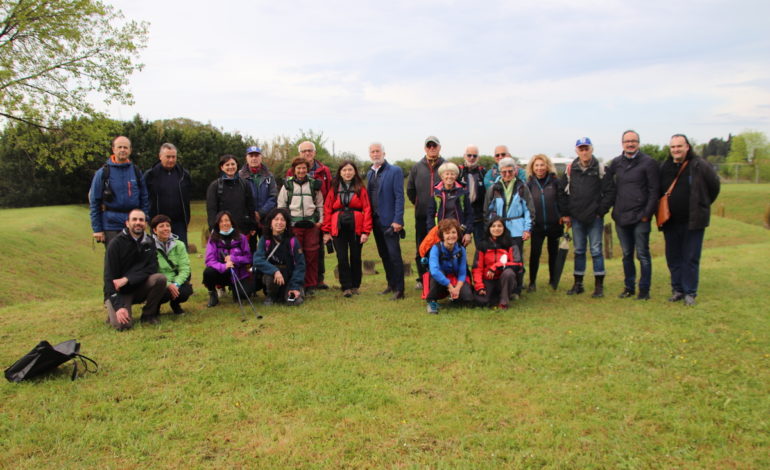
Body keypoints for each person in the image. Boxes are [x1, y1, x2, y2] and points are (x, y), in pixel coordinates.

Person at [659, 134, 720, 306]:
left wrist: (701, 205)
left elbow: (714, 187)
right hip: (670, 221)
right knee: (673, 257)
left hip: (693, 221)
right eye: (673, 147)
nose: (676, 150)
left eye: (679, 146)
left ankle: (690, 292)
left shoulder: (700, 165)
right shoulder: (665, 167)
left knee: (691, 257)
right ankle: (677, 289)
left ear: (687, 147)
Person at [609, 130, 660, 300]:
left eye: (633, 141)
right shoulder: (616, 163)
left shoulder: (649, 163)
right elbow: (606, 183)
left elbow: (654, 191)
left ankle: (644, 290)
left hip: (641, 217)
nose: (630, 144)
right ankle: (629, 287)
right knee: (626, 255)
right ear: (622, 143)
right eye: (627, 141)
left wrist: (647, 214)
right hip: (622, 217)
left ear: (638, 142)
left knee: (643, 254)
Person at [561, 137, 616, 298]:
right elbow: (562, 193)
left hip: (595, 218)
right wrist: (567, 213)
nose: (584, 152)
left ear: (592, 149)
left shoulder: (601, 168)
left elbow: (610, 192)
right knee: (578, 251)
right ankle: (578, 284)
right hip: (576, 217)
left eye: (587, 149)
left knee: (596, 251)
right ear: (576, 151)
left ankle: (599, 286)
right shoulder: (570, 169)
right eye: (581, 149)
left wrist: (600, 211)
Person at [103, 208, 167, 330]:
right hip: (119, 292)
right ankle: (114, 309)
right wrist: (118, 307)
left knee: (160, 279)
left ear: (145, 223)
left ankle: (148, 315)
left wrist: (128, 279)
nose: (138, 222)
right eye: (134, 219)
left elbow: (152, 268)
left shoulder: (149, 241)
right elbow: (109, 278)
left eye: (141, 220)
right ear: (127, 223)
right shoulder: (115, 244)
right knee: (123, 326)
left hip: (139, 286)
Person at [484, 157, 534, 297]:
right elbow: (488, 210)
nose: (507, 174)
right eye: (504, 172)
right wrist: (490, 228)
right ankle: (500, 287)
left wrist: (527, 229)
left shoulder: (522, 187)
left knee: (516, 259)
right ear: (500, 171)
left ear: (515, 171)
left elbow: (529, 210)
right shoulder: (494, 188)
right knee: (498, 257)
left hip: (517, 228)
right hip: (498, 228)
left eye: (510, 171)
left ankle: (516, 289)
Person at [322, 160, 373, 297]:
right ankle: (346, 287)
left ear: (354, 171)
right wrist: (326, 231)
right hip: (338, 226)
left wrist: (365, 231)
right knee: (342, 257)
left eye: (350, 170)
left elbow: (367, 209)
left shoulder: (360, 188)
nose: (347, 173)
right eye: (344, 170)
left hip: (356, 226)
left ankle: (355, 285)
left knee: (355, 257)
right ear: (340, 172)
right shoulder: (334, 188)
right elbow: (327, 209)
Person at [286, 141, 332, 289]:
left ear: (315, 152)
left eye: (310, 150)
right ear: (299, 153)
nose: (307, 153)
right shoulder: (290, 173)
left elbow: (329, 193)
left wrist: (323, 219)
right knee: (298, 252)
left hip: (316, 217)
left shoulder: (324, 171)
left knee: (316, 251)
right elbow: (285, 199)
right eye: (304, 151)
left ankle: (318, 280)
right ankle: (299, 281)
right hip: (296, 220)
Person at [89, 136, 149, 247]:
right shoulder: (103, 173)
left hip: (133, 224)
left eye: (125, 147)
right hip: (111, 225)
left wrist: (144, 219)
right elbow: (94, 201)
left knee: (134, 259)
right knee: (114, 260)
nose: (122, 150)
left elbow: (144, 198)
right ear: (113, 149)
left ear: (130, 150)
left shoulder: (136, 171)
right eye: (119, 147)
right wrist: (97, 229)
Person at [277, 157, 324, 292]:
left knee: (311, 255)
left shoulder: (315, 184)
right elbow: (281, 205)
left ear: (308, 169)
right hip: (294, 224)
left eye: (304, 168)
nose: (301, 170)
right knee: (295, 255)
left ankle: (311, 285)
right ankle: (296, 283)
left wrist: (320, 221)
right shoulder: (287, 185)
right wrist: (284, 223)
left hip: (311, 224)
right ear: (294, 170)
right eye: (298, 168)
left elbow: (320, 204)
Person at [366, 142, 405, 300]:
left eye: (378, 151)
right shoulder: (369, 173)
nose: (375, 154)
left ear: (384, 153)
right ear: (370, 155)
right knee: (384, 255)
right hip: (375, 221)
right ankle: (391, 284)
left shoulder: (395, 171)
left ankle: (400, 290)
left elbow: (399, 197)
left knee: (394, 255)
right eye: (373, 152)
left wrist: (398, 220)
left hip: (390, 221)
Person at [407, 136, 445, 290]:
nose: (431, 148)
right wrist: (419, 203)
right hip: (422, 215)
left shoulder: (446, 165)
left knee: (441, 247)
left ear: (439, 147)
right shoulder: (417, 167)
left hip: (442, 217)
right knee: (422, 247)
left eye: (434, 146)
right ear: (425, 148)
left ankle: (441, 277)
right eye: (428, 146)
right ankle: (422, 279)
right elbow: (410, 189)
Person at [525, 154, 567, 292]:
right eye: (536, 165)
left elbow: (561, 200)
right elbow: (526, 205)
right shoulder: (529, 184)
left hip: (554, 223)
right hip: (537, 225)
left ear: (547, 166)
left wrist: (563, 215)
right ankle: (532, 282)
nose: (539, 168)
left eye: (542, 165)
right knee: (535, 254)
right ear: (532, 167)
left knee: (553, 253)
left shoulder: (555, 181)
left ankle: (553, 280)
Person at [252, 208, 306, 306]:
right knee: (270, 278)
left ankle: (293, 292)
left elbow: (300, 265)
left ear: (286, 223)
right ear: (270, 223)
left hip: (290, 278)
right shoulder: (265, 239)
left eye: (282, 219)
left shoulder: (293, 241)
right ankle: (271, 296)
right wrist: (275, 271)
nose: (279, 222)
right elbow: (257, 259)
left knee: (294, 302)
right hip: (273, 277)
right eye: (276, 219)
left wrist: (295, 286)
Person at [144, 143, 192, 246]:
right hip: (158, 223)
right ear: (160, 156)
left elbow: (187, 198)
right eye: (168, 157)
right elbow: (144, 198)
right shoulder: (150, 175)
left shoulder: (184, 175)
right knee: (159, 254)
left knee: (180, 252)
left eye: (173, 157)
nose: (171, 160)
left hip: (179, 223)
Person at [203, 211, 253, 307]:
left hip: (238, 273)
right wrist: (224, 266)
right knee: (208, 272)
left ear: (231, 222)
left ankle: (235, 290)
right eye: (221, 221)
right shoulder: (213, 239)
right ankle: (213, 294)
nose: (224, 223)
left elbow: (248, 258)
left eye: (227, 220)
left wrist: (234, 259)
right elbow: (209, 260)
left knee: (244, 295)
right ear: (218, 224)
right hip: (221, 272)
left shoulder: (241, 238)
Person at [425, 219, 474, 314]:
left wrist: (457, 288)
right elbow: (434, 271)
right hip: (440, 279)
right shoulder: (435, 248)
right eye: (447, 233)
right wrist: (450, 286)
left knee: (468, 298)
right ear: (442, 235)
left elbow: (462, 272)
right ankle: (432, 302)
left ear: (458, 234)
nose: (451, 236)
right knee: (438, 273)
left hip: (455, 278)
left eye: (453, 232)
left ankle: (454, 297)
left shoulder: (461, 249)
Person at [472, 217, 522, 309]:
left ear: (504, 228)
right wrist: (479, 286)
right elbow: (477, 268)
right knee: (482, 302)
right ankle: (495, 296)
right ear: (489, 228)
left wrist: (496, 266)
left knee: (509, 273)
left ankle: (503, 302)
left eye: (499, 226)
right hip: (488, 279)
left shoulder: (511, 243)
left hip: (504, 279)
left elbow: (518, 264)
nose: (496, 228)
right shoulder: (482, 245)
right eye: (493, 226)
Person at [150, 214, 193, 315]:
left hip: (175, 280)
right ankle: (155, 305)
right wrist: (168, 285)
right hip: (159, 282)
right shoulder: (149, 246)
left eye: (167, 225)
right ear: (155, 230)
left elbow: (185, 268)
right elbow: (151, 272)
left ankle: (175, 304)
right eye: (161, 226)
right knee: (163, 293)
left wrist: (176, 284)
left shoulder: (179, 245)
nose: (165, 228)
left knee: (185, 292)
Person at [426, 161, 474, 247]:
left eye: (452, 174)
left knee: (458, 257)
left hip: (459, 232)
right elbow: (430, 214)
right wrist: (432, 231)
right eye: (446, 174)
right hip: (440, 232)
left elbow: (469, 213)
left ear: (456, 176)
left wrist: (468, 232)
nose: (449, 176)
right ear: (441, 176)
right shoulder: (435, 193)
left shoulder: (463, 192)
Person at [238, 145, 277, 248]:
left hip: (266, 219)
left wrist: (260, 213)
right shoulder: (239, 176)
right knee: (249, 248)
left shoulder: (269, 175)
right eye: (251, 156)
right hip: (247, 220)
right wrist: (251, 214)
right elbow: (239, 198)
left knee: (268, 247)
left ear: (261, 157)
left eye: (256, 155)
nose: (254, 158)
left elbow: (273, 197)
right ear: (246, 158)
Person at [206, 154, 256, 234]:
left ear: (237, 165)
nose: (230, 167)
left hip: (242, 229)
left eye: (233, 164)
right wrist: (213, 228)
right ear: (222, 167)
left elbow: (250, 206)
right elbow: (211, 210)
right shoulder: (215, 186)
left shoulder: (245, 184)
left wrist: (253, 225)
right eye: (227, 165)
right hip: (223, 229)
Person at [458, 145, 486, 244]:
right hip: (462, 216)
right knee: (460, 247)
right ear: (464, 156)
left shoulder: (483, 172)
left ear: (478, 157)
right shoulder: (458, 172)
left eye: (474, 156)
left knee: (481, 247)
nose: (471, 158)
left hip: (479, 217)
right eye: (469, 155)